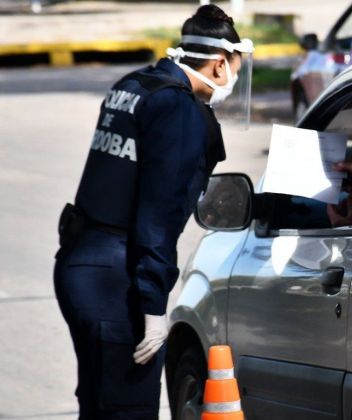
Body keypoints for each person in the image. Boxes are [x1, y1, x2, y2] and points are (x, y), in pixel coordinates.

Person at [53, 5, 253, 418]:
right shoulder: (179, 111)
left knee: (97, 405)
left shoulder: (135, 85)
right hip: (117, 284)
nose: (235, 76)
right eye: (235, 66)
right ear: (219, 65)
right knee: (127, 410)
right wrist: (152, 308)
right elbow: (157, 220)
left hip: (78, 267)